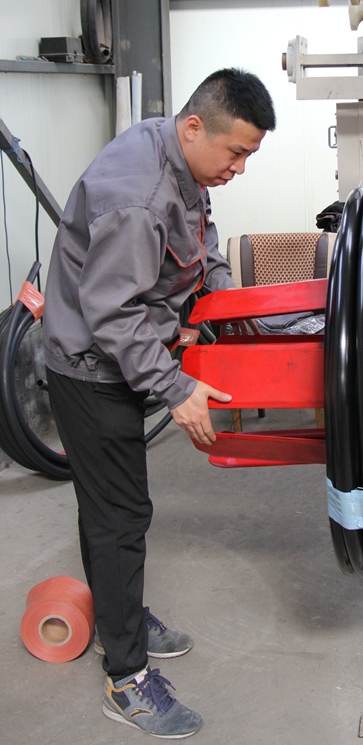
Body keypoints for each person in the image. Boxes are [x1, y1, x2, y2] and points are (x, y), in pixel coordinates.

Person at [42, 68, 276, 738]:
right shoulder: (138, 195)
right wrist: (175, 389)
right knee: (120, 515)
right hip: (93, 368)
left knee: (112, 509)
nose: (238, 168)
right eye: (236, 152)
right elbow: (111, 313)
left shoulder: (182, 160)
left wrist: (222, 309)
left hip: (122, 352)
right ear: (195, 127)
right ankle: (127, 680)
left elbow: (202, 239)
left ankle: (117, 613)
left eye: (249, 156)